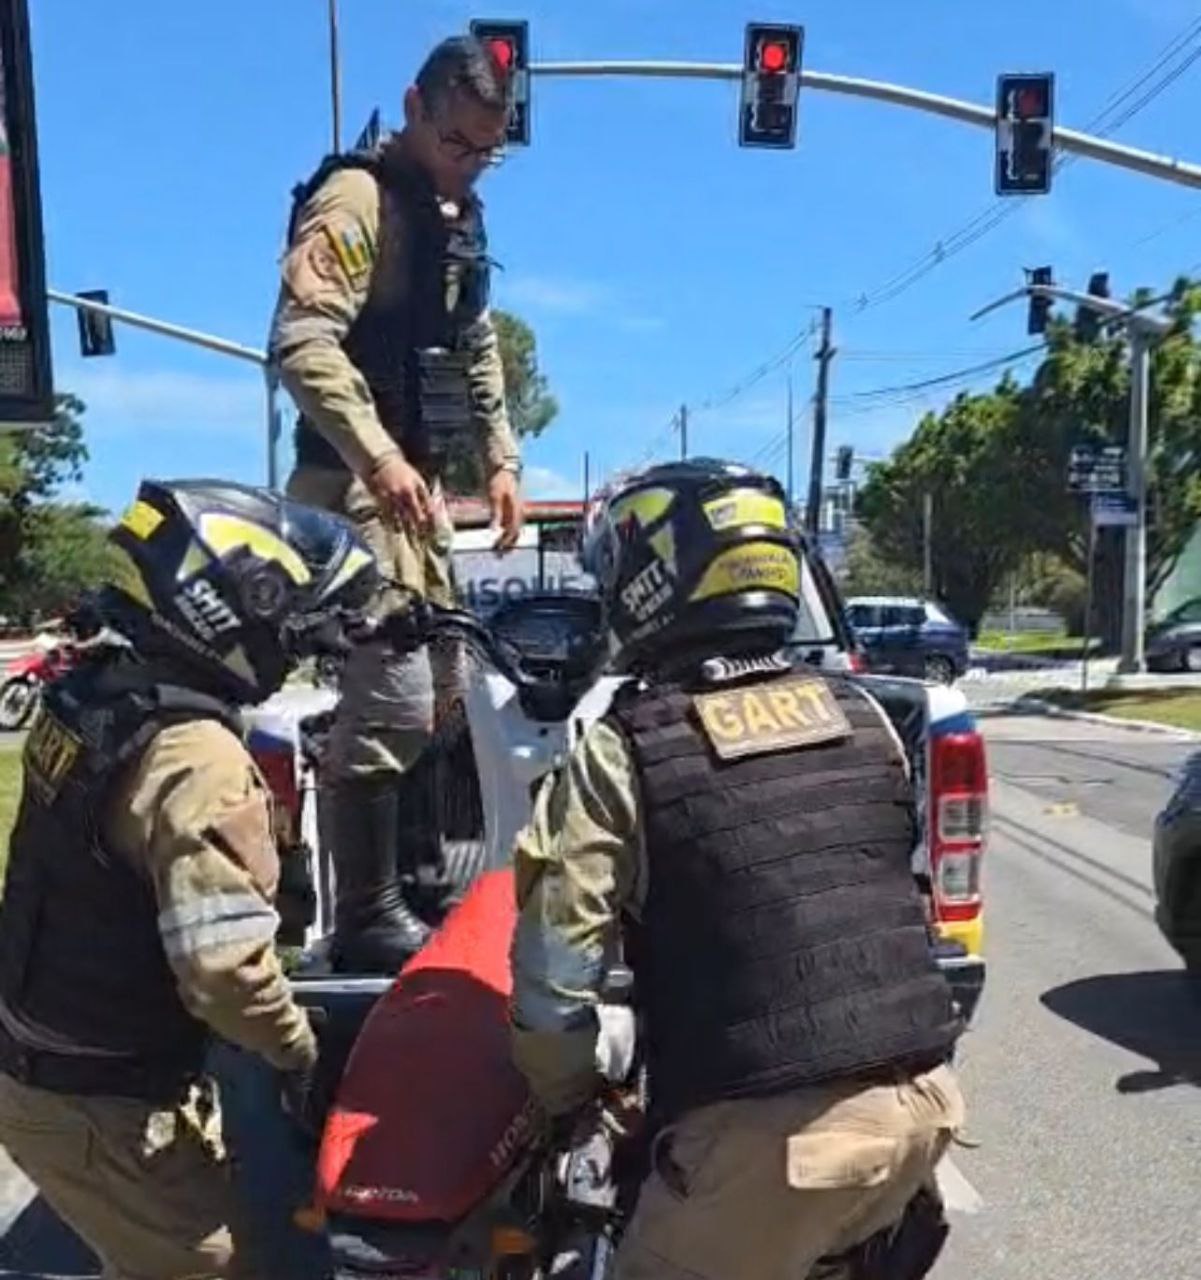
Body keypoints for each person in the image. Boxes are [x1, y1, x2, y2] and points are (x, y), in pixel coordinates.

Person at [508, 459, 967, 1280]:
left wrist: (567, 1100)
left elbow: (552, 983)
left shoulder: (626, 746)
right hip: (922, 1116)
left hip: (776, 1152)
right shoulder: (865, 719)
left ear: (646, 584)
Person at [0, 479, 381, 1280]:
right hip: (100, 1100)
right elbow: (225, 974)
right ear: (239, 606)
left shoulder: (96, 696)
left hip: (46, 1066)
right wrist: (299, 1053)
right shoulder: (198, 758)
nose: (297, 648)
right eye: (292, 624)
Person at [267, 34, 525, 975]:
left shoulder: (452, 219)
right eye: (456, 142)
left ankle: (418, 888)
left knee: (448, 689)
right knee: (396, 698)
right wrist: (375, 454)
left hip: (414, 492)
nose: (468, 163)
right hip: (349, 490)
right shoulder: (356, 201)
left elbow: (475, 340)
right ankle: (367, 915)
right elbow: (301, 340)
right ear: (414, 107)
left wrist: (499, 456)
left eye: (486, 151)